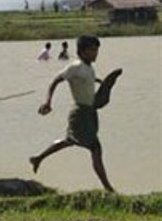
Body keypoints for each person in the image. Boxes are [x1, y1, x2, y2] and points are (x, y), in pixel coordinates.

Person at [28, 35, 123, 192]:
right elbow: (55, 80)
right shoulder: (75, 67)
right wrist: (48, 102)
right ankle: (108, 188)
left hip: (89, 112)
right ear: (82, 51)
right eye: (92, 50)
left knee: (70, 141)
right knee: (94, 148)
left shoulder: (88, 67)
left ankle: (38, 158)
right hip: (80, 113)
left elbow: (86, 80)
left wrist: (99, 81)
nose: (95, 54)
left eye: (97, 50)